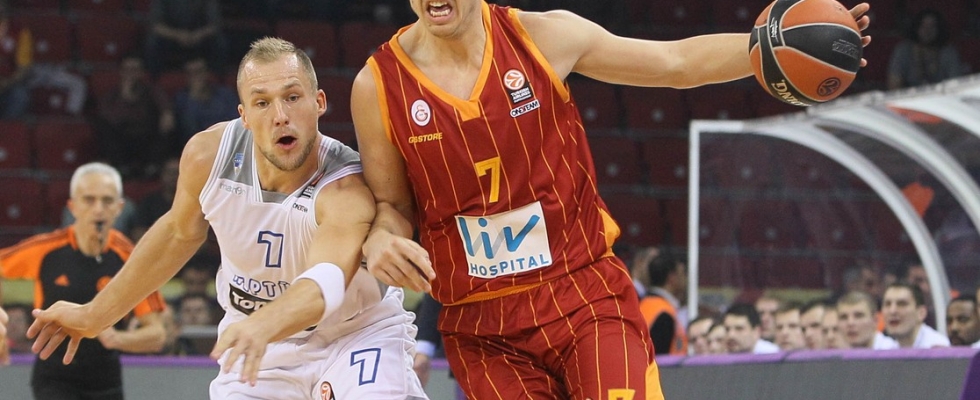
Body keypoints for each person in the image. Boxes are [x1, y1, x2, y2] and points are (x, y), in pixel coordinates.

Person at [353, 2, 870, 397]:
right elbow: (392, 207)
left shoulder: (543, 36)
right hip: (481, 326)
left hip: (583, 294)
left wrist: (780, 44)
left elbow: (675, 62)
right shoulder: (377, 85)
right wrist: (379, 239)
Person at [28, 37, 427, 399]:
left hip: (353, 334)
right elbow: (178, 233)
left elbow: (324, 285)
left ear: (319, 102)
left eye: (292, 97)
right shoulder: (208, 156)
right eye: (262, 102)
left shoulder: (346, 186)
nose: (280, 115)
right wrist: (94, 315)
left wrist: (263, 324)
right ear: (244, 115)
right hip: (259, 344)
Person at [1, 162, 168, 399]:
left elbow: (157, 335)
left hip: (106, 381)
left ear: (119, 208)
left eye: (107, 201)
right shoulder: (47, 250)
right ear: (72, 206)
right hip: (54, 378)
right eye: (89, 200)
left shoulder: (131, 260)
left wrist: (119, 339)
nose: (98, 209)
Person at [94, 55, 175, 179]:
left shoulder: (151, 90)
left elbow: (164, 105)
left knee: (167, 128)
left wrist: (167, 113)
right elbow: (109, 118)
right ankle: (121, 167)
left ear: (141, 72)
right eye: (127, 70)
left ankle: (152, 167)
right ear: (121, 72)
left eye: (135, 70)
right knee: (104, 128)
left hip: (146, 138)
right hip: (122, 140)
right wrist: (125, 98)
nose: (131, 74)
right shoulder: (112, 95)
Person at [144, 0, 228, 77]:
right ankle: (154, 79)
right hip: (171, 38)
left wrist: (198, 35)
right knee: (153, 43)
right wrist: (177, 35)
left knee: (219, 42)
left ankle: (217, 78)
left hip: (200, 38)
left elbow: (215, 24)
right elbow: (156, 25)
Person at [887, 8, 966, 90]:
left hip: (940, 96)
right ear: (916, 27)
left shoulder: (949, 52)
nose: (927, 31)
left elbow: (955, 85)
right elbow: (894, 85)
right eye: (923, 26)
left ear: (939, 29)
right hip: (909, 96)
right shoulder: (903, 50)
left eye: (932, 26)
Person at [173, 58, 239, 153]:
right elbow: (187, 132)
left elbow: (236, 123)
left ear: (207, 73)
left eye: (199, 72)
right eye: (191, 74)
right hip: (196, 149)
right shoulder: (181, 99)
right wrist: (193, 99)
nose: (196, 77)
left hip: (226, 144)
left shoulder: (225, 94)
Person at [638, 251, 688, 355]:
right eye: (682, 273)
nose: (685, 279)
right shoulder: (664, 314)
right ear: (672, 277)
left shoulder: (643, 304)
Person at [881, 282, 949, 348]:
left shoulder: (938, 347)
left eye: (902, 304)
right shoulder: (886, 349)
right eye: (887, 304)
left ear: (921, 313)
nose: (892, 311)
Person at [0, 0, 30, 120]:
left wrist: (6, 82)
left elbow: (24, 67)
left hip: (9, 82)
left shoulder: (20, 32)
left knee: (20, 95)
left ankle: (8, 129)